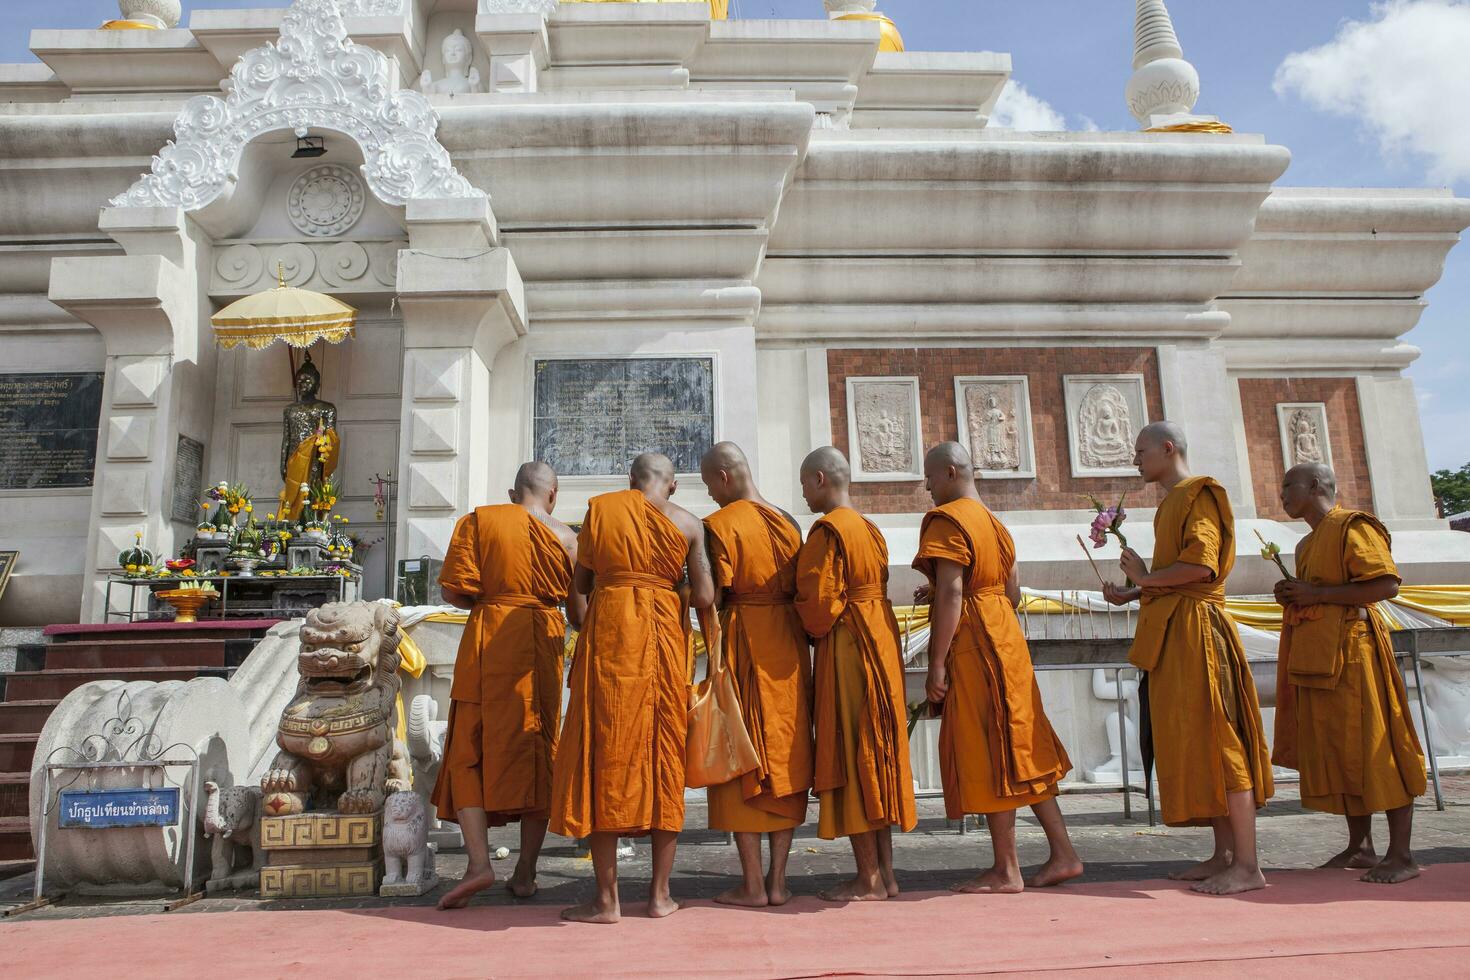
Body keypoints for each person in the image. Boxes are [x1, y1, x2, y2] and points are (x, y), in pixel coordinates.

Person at [1103, 421, 1273, 895]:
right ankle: (1223, 855)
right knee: (1197, 742)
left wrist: (1145, 576)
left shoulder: (1197, 494)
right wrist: (1136, 591)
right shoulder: (1170, 503)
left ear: (1167, 448)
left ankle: (1248, 865)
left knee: (1219, 738)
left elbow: (1202, 567)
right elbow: (1177, 577)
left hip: (1199, 633)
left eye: (1141, 451)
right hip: (1176, 632)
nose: (1135, 460)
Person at [549, 453, 716, 923]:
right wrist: (673, 589)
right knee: (664, 757)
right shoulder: (688, 524)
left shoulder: (602, 510)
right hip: (664, 641)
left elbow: (579, 590)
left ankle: (606, 901)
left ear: (630, 482)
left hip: (610, 641)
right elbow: (704, 597)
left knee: (604, 755)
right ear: (674, 486)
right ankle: (660, 896)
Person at [913, 442, 1083, 894]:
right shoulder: (996, 524)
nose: (927, 487)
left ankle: (1007, 868)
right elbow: (1009, 592)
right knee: (1023, 746)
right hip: (1007, 639)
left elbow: (952, 593)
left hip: (975, 644)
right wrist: (967, 594)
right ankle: (1063, 853)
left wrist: (935, 662)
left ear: (950, 472)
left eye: (929, 477)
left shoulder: (947, 520)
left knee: (990, 748)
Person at [433, 462, 585, 910]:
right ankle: (525, 871)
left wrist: (493, 597)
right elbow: (578, 615)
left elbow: (454, 591)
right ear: (553, 495)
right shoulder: (568, 538)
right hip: (541, 641)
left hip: (488, 637)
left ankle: (479, 865)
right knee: (538, 752)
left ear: (512, 492)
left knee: (468, 750)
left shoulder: (481, 521)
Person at [1273, 462, 1426, 883]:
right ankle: (1361, 847)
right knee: (1341, 749)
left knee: (1379, 745)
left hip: (1356, 652)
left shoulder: (1352, 525)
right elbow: (1318, 595)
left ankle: (1402, 855)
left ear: (1317, 485)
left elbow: (1386, 585)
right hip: (1319, 657)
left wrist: (1316, 593)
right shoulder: (1306, 546)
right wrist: (1293, 596)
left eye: (1289, 485)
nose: (1282, 494)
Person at [794, 446, 917, 902]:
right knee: (877, 749)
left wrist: (802, 628)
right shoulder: (869, 527)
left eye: (805, 483)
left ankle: (867, 877)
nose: (804, 493)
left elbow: (820, 603)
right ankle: (886, 874)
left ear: (821, 479)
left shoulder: (827, 531)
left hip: (847, 643)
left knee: (851, 750)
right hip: (880, 640)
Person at [699, 442, 814, 908]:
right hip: (787, 645)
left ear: (724, 478)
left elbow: (714, 595)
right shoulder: (788, 521)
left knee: (741, 752)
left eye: (709, 486)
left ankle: (750, 884)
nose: (710, 496)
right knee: (787, 750)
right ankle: (779, 881)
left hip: (743, 639)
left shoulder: (720, 526)